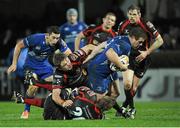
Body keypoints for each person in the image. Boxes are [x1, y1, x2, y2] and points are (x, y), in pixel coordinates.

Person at [7, 26, 72, 119]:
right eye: (53, 37)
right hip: (30, 66)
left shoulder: (59, 42)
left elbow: (70, 54)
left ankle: (60, 108)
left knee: (58, 85)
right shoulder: (36, 38)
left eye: (57, 38)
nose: (55, 40)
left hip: (45, 67)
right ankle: (26, 110)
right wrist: (14, 64)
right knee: (33, 87)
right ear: (47, 36)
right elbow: (18, 46)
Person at [116, 5, 164, 119]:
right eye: (130, 14)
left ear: (139, 15)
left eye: (134, 14)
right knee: (127, 84)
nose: (132, 17)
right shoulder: (122, 25)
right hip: (128, 58)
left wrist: (146, 53)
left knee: (133, 88)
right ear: (127, 14)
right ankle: (132, 108)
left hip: (143, 59)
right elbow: (118, 41)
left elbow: (160, 40)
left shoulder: (146, 24)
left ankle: (124, 106)